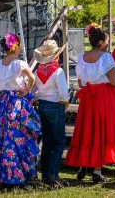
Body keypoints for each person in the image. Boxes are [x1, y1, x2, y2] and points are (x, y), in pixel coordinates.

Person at [65, 24, 115, 184]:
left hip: (87, 99)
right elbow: (113, 81)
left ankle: (83, 165)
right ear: (100, 42)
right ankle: (97, 171)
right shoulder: (106, 57)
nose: (108, 43)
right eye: (107, 41)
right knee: (101, 131)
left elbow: (80, 82)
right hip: (103, 97)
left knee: (87, 130)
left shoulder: (81, 58)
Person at [0, 34, 40, 187]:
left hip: (2, 103)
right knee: (18, 137)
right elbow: (32, 77)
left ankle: (3, 175)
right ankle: (18, 176)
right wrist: (26, 89)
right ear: (16, 46)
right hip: (15, 103)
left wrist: (5, 83)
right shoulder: (19, 63)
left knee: (1, 137)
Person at [32, 40, 70, 187]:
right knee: (59, 141)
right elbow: (64, 94)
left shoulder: (38, 71)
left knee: (47, 142)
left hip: (41, 105)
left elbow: (33, 91)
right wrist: (65, 104)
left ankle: (46, 175)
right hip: (55, 105)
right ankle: (53, 175)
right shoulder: (58, 71)